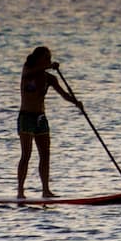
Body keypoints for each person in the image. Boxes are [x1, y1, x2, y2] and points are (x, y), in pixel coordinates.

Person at [17, 46, 82, 198]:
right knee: (26, 154)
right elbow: (33, 70)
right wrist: (49, 66)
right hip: (26, 117)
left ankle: (46, 190)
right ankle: (20, 191)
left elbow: (64, 95)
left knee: (45, 154)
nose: (49, 60)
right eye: (46, 58)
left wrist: (76, 102)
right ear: (38, 59)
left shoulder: (50, 78)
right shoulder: (27, 70)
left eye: (50, 58)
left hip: (40, 118)